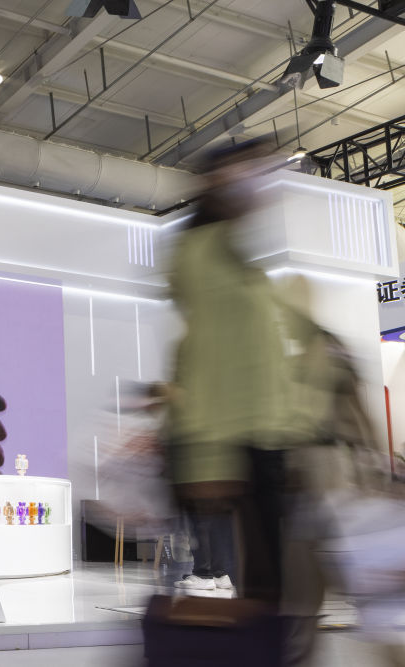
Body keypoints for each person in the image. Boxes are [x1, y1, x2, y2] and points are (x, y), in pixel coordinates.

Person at [165, 140, 301, 602]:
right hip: (233, 448)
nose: (259, 182)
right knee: (262, 595)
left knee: (272, 590)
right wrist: (207, 461)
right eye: (248, 171)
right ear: (216, 183)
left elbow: (265, 363)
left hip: (264, 441)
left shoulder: (243, 264)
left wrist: (290, 434)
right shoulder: (201, 257)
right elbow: (204, 362)